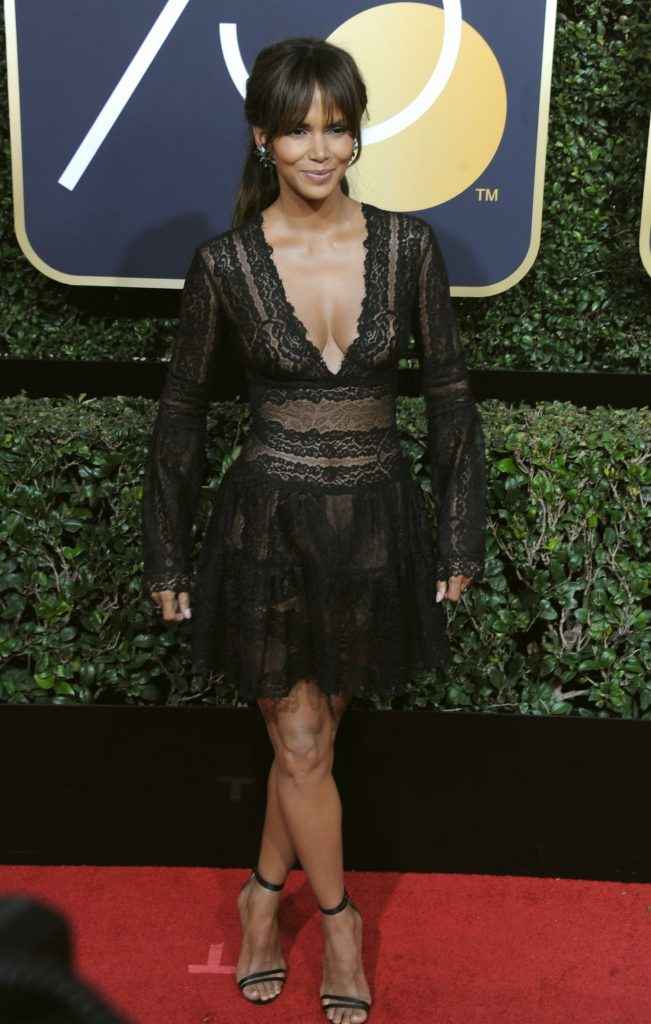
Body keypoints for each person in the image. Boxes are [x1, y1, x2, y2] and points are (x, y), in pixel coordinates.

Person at [141, 35, 487, 1024]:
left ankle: (261, 894)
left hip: (375, 529)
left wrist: (458, 533)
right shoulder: (225, 265)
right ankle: (338, 923)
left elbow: (450, 399)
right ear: (263, 138)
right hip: (268, 532)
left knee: (314, 744)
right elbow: (181, 415)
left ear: (357, 133)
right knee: (299, 743)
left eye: (337, 127)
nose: (321, 148)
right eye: (298, 130)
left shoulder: (410, 248)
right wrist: (166, 552)